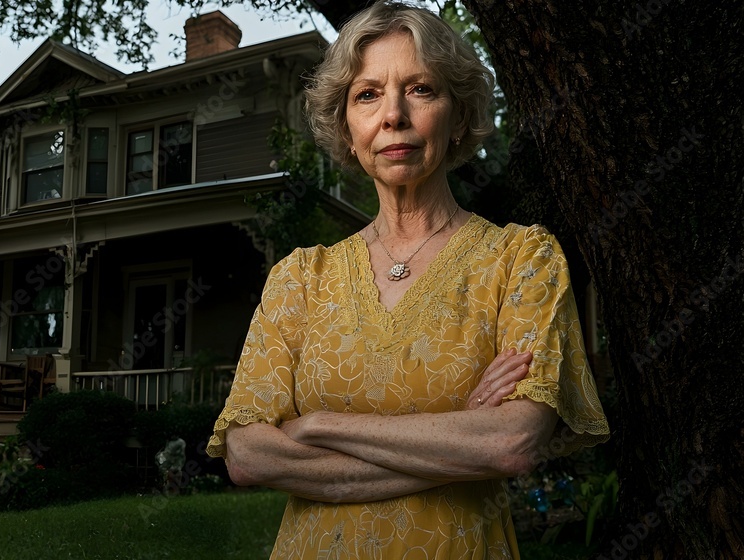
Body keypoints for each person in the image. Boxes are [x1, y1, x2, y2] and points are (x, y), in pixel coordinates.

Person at [206, 1, 610, 558]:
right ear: (348, 131)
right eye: (367, 94)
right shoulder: (300, 277)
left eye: (420, 89)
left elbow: (511, 442)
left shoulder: (521, 258)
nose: (393, 114)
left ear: (460, 115)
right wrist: (458, 439)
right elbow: (248, 456)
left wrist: (317, 424)